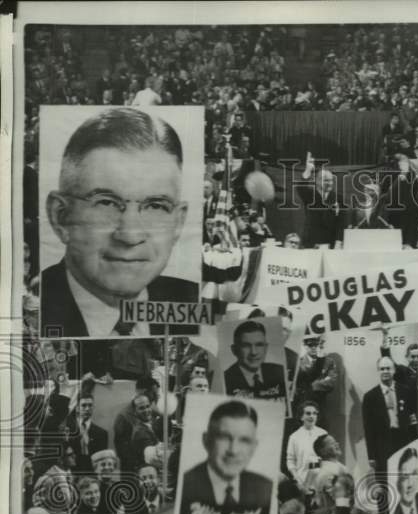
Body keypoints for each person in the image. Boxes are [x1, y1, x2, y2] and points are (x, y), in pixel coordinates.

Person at [41, 107, 196, 337]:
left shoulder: (192, 301)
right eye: (106, 203)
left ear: (178, 222)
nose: (130, 235)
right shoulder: (33, 306)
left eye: (155, 206)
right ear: (61, 217)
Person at [177, 399, 273, 514]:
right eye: (224, 437)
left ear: (254, 446)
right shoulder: (185, 488)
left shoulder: (266, 490)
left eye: (244, 440)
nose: (233, 450)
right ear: (206, 440)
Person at [362, 356, 417, 474]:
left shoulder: (406, 391)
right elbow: (368, 429)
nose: (385, 371)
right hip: (382, 445)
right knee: (384, 480)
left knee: (402, 476)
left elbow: (413, 422)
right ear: (378, 371)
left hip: (403, 442)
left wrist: (414, 445)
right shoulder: (370, 397)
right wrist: (371, 456)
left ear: (394, 370)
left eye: (388, 368)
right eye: (382, 369)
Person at [223, 320, 287, 403]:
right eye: (246, 346)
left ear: (266, 348)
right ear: (234, 350)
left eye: (259, 345)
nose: (254, 352)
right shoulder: (225, 381)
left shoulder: (280, 372)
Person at [285, 401, 327, 490]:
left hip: (321, 479)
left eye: (314, 413)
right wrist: (297, 479)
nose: (311, 416)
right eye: (308, 413)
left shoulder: (323, 433)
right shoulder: (294, 437)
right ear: (301, 417)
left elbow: (327, 456)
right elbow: (290, 461)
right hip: (303, 480)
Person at [65, 394, 108, 474]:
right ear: (77, 408)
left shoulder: (101, 434)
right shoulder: (68, 429)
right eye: (84, 405)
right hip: (72, 473)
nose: (87, 409)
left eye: (90, 405)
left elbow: (101, 461)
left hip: (92, 475)